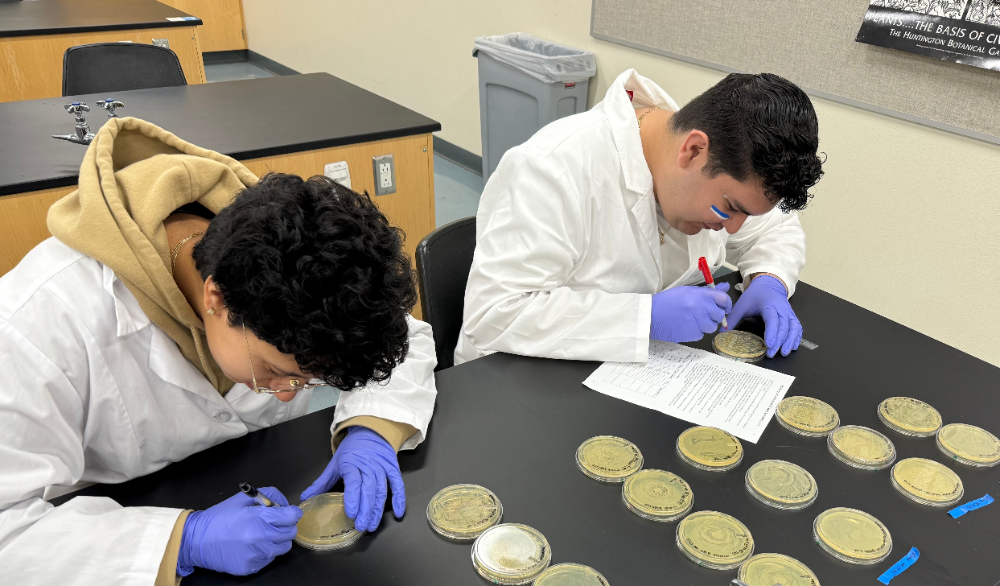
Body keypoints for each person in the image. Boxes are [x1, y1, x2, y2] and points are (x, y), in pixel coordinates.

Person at [0, 118, 437, 584]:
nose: (287, 395)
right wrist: (181, 539)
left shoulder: (304, 261)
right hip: (112, 535)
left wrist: (371, 427)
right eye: (274, 370)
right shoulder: (39, 323)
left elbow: (398, 337)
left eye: (309, 381)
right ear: (217, 298)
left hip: (266, 491)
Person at [456, 69, 824, 365]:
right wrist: (642, 318)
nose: (734, 227)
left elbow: (775, 229)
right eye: (730, 207)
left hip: (625, 377)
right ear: (693, 150)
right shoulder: (554, 168)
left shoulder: (720, 163)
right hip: (517, 380)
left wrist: (769, 280)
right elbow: (493, 316)